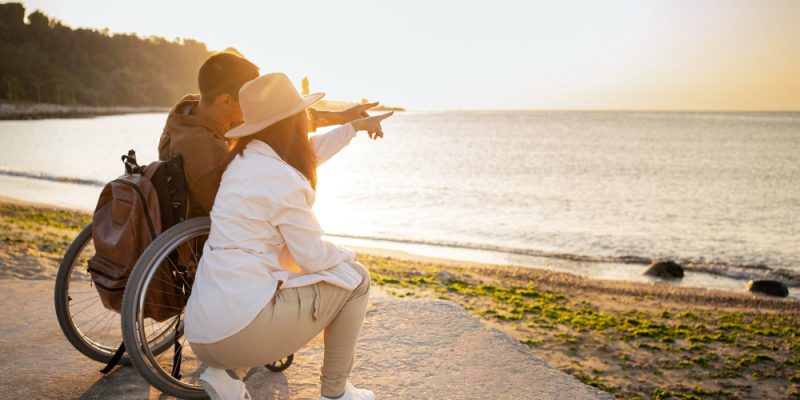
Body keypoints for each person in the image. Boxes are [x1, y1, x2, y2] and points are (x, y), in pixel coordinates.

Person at [184, 72, 393, 400]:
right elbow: (311, 257)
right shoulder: (280, 177)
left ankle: (224, 374)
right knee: (357, 280)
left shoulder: (243, 159)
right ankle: (335, 394)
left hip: (203, 332)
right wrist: (345, 255)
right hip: (238, 332)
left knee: (278, 283)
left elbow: (308, 154)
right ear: (292, 120)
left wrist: (353, 127)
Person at [158, 51, 381, 218]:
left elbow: (281, 117)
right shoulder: (204, 150)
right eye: (251, 99)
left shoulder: (198, 109)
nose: (258, 106)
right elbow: (233, 213)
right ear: (226, 100)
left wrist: (343, 117)